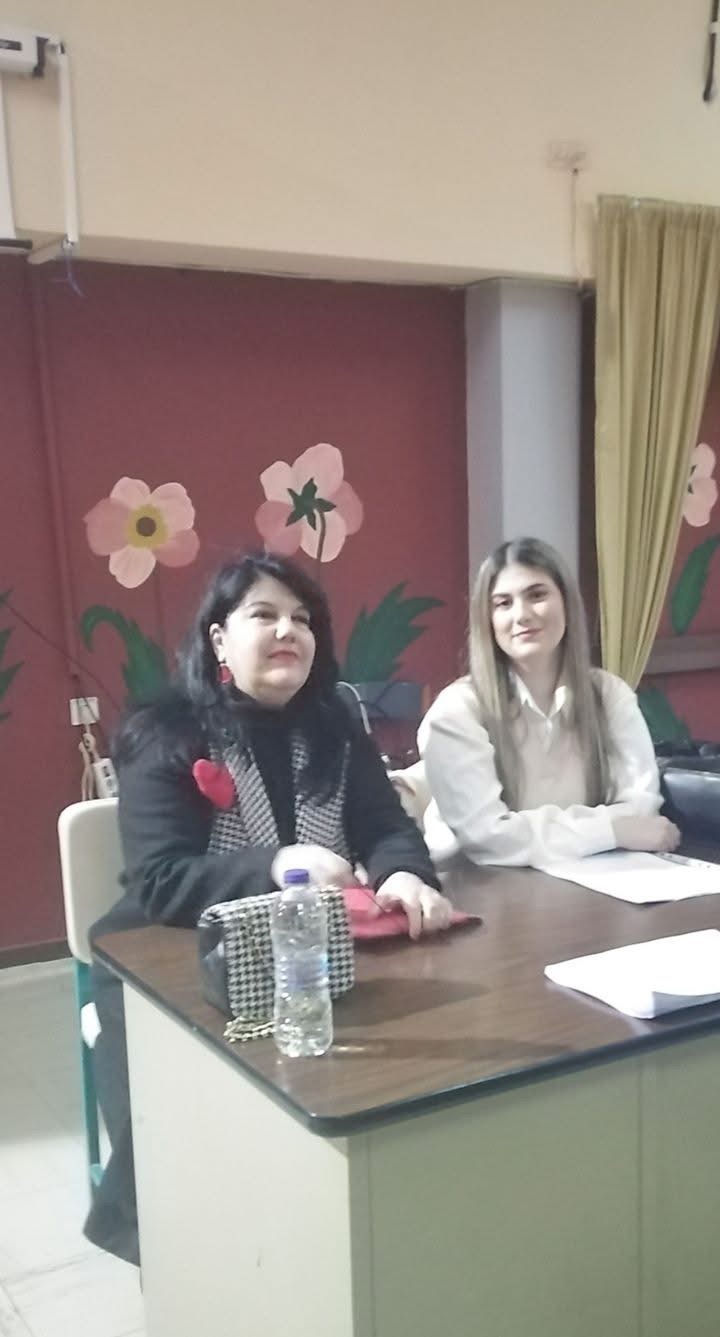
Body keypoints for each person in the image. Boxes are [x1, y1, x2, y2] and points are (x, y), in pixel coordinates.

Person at [85, 552, 451, 1266]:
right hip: (169, 958)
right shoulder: (166, 729)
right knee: (186, 1133)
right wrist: (279, 866)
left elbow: (383, 823)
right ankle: (188, 1261)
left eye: (302, 619)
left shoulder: (333, 722)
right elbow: (160, 881)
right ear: (219, 637)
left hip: (313, 950)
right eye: (265, 614)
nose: (289, 631)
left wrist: (405, 872)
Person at [416, 536, 680, 869]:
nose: (521, 615)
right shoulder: (457, 711)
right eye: (503, 604)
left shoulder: (611, 695)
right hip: (474, 884)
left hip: (592, 877)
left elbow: (641, 810)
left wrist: (538, 832)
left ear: (567, 602)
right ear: (488, 621)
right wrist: (611, 829)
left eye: (537, 595)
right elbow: (488, 839)